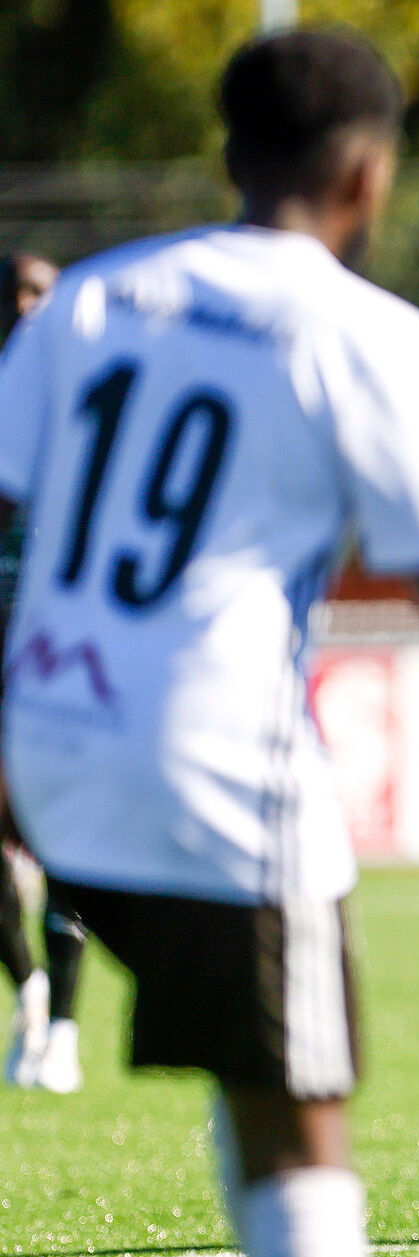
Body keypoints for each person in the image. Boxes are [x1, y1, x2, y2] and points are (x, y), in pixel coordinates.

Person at [0, 28, 419, 1257]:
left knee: (252, 1055)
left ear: (228, 152)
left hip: (44, 742)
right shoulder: (367, 333)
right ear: (369, 174)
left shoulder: (89, 300)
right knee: (302, 1108)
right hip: (213, 769)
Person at [0, 250, 90, 1094]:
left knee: (66, 834)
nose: (34, 308)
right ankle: (27, 986)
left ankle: (60, 1025)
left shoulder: (92, 397)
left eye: (44, 294)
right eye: (21, 294)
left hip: (67, 644)